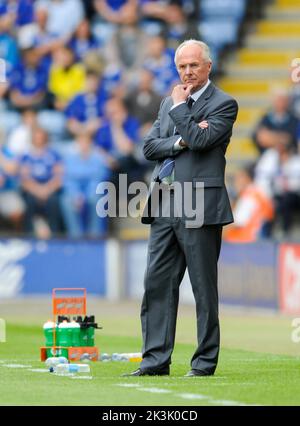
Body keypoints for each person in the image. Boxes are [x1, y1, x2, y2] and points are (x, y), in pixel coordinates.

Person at [123, 39, 238, 377]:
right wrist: (180, 140)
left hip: (200, 203)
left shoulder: (224, 104)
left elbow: (203, 141)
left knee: (203, 288)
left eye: (193, 65)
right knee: (156, 284)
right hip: (163, 202)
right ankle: (155, 360)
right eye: (182, 67)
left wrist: (180, 115)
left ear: (208, 66)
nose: (187, 72)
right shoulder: (168, 103)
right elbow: (149, 147)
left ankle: (203, 363)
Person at [224, 165, 274, 243]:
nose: (235, 182)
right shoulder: (259, 192)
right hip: (256, 241)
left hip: (243, 243)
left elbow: (237, 223)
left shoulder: (249, 196)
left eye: (238, 178)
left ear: (246, 178)